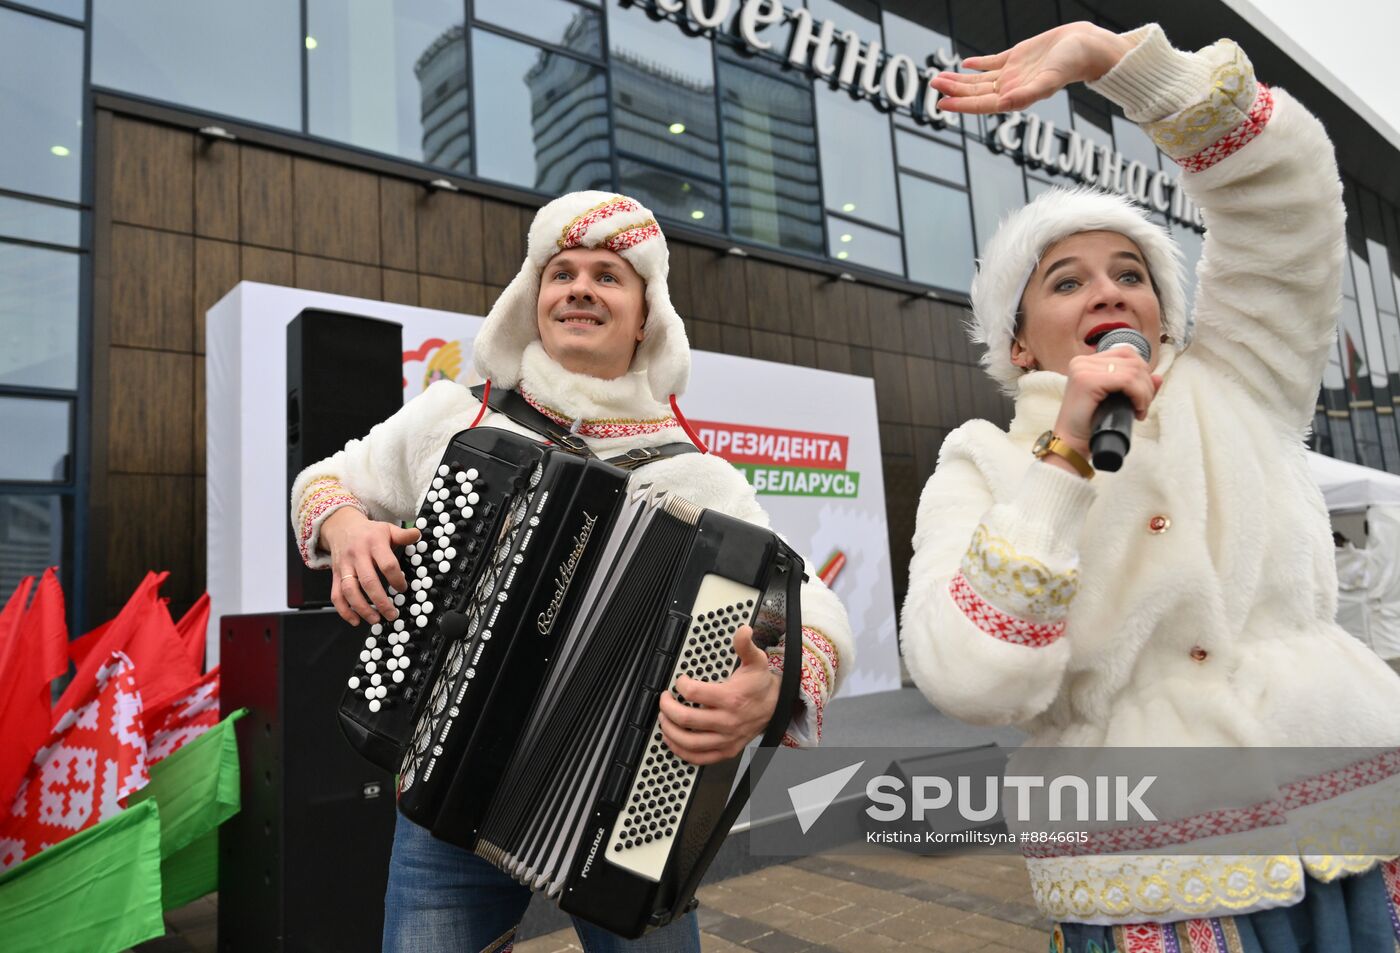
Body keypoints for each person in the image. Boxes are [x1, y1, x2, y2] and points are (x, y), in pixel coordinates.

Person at [902, 21, 1400, 951]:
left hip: (1359, 826)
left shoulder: (1240, 383)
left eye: (1131, 274)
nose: (1108, 292)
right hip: (1153, 864)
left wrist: (1119, 64)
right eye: (1066, 280)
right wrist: (1065, 462)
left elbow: (1290, 200)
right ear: (1018, 344)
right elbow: (970, 675)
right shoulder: (984, 461)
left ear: (1165, 319)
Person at [289, 190, 852, 953]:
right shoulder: (454, 417)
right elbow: (325, 480)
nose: (580, 287)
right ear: (533, 297)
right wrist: (346, 527)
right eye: (561, 272)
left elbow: (811, 609)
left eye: (608, 275)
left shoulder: (699, 477)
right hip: (443, 796)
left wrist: (773, 685)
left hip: (624, 814)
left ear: (646, 313)